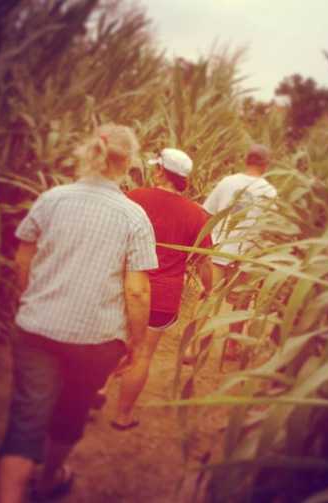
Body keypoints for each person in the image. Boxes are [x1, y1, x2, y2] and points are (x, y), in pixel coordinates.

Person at [0, 123, 158, 503]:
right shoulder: (133, 217)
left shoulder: (53, 199)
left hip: (37, 328)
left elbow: (23, 257)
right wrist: (135, 342)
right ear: (129, 163)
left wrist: (30, 299)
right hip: (96, 339)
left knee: (25, 422)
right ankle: (50, 479)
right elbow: (136, 290)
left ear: (89, 152)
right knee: (71, 413)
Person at [112, 148, 213, 430]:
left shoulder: (133, 199)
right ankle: (123, 416)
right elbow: (205, 261)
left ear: (159, 172)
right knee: (142, 354)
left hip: (123, 285)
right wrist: (209, 288)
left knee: (111, 343)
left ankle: (96, 393)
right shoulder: (198, 215)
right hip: (162, 297)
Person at [202, 143, 277, 360]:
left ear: (246, 160)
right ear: (265, 165)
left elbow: (207, 213)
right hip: (248, 255)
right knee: (241, 304)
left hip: (219, 251)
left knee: (209, 298)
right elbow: (270, 229)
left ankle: (196, 345)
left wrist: (205, 246)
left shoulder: (228, 182)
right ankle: (233, 347)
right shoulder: (269, 192)